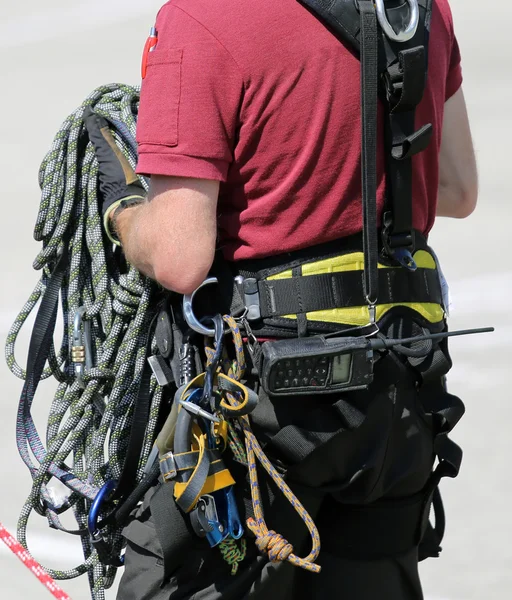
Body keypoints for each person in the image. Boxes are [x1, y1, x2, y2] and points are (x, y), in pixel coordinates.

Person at [104, 0, 478, 599]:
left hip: (270, 410)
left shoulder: (205, 16)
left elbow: (178, 256)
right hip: (402, 392)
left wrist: (122, 206)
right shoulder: (416, 10)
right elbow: (458, 188)